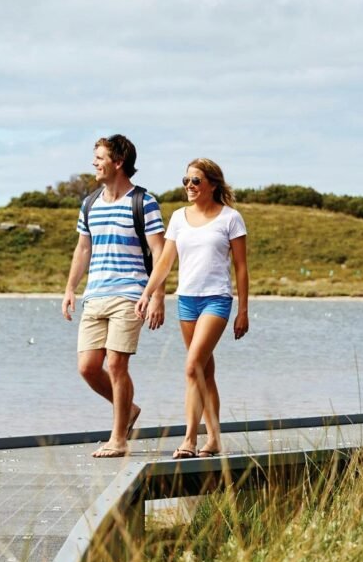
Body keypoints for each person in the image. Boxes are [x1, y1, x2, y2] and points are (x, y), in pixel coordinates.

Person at [61, 134, 165, 458]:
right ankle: (129, 410)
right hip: (96, 295)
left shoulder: (144, 202)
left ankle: (118, 438)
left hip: (131, 293)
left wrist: (157, 296)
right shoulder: (89, 204)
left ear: (118, 162)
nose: (94, 163)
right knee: (88, 367)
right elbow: (83, 249)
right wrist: (70, 289)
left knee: (118, 364)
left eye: (100, 158)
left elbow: (160, 252)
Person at [137, 157, 248, 458]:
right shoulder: (178, 218)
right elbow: (165, 262)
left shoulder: (230, 218)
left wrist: (243, 310)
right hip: (187, 301)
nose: (189, 186)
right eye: (185, 180)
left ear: (212, 184)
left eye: (196, 181)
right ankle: (213, 439)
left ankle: (189, 439)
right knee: (205, 371)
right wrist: (147, 294)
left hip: (217, 300)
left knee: (191, 367)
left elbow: (240, 268)